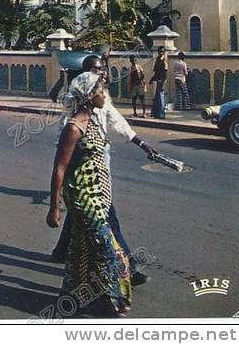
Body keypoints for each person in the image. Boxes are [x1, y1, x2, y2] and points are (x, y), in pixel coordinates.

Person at [51, 54, 155, 288]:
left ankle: (62, 254)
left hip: (98, 170)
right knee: (107, 222)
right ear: (87, 74)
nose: (103, 73)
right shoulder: (74, 107)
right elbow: (62, 157)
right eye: (97, 70)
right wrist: (55, 203)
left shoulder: (101, 99)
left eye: (103, 69)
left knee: (80, 222)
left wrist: (141, 143)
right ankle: (126, 268)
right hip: (83, 177)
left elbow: (118, 122)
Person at [47, 73, 131, 317]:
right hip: (83, 198)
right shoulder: (73, 128)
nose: (104, 95)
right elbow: (59, 168)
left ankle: (71, 297)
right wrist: (55, 207)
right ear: (88, 96)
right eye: (100, 91)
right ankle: (108, 302)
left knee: (80, 250)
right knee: (107, 250)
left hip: (99, 196)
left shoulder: (93, 121)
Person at [149, 47, 167, 119]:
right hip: (158, 79)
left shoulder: (164, 60)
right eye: (160, 51)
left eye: (162, 51)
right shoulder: (157, 59)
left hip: (161, 80)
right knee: (157, 98)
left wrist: (163, 83)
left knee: (160, 97)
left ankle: (161, 114)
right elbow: (156, 71)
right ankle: (156, 114)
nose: (161, 53)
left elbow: (165, 72)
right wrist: (152, 79)